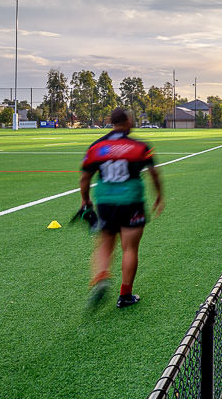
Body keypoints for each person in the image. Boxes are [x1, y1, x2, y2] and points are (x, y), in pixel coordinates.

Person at [79, 108, 165, 310]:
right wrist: (159, 195)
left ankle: (101, 276)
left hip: (106, 203)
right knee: (130, 248)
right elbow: (154, 174)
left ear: (111, 122)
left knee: (105, 243)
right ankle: (125, 295)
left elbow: (85, 178)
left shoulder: (97, 147)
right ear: (127, 121)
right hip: (131, 202)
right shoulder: (140, 147)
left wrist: (85, 200)